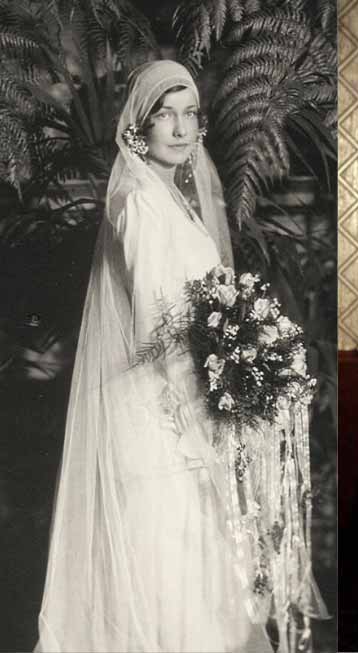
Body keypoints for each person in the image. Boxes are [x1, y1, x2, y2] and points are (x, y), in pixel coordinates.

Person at [35, 60, 272, 652]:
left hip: (186, 396)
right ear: (139, 126)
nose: (180, 127)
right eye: (164, 114)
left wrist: (237, 359)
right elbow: (152, 325)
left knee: (195, 557)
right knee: (168, 556)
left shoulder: (171, 198)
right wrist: (218, 375)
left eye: (189, 113)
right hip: (157, 412)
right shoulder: (139, 200)